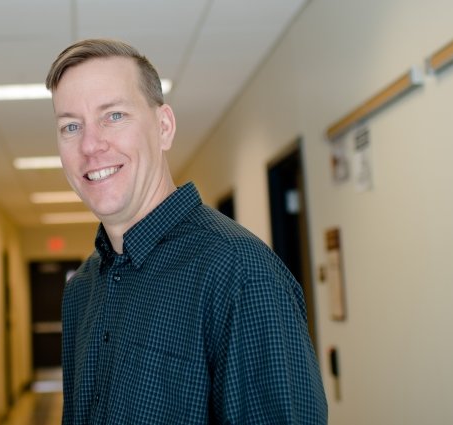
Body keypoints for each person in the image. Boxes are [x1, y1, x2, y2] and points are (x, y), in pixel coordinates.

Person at [46, 39, 327, 424]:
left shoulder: (240, 273)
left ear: (163, 127)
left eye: (114, 116)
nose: (91, 145)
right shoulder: (83, 288)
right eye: (71, 126)